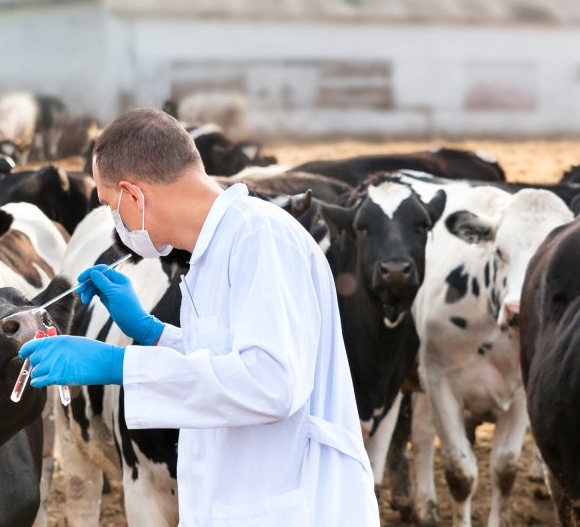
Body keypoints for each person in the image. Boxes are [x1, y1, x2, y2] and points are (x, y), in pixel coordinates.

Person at [19, 108, 379, 526]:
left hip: (292, 505)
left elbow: (273, 381)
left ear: (133, 196)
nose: (115, 223)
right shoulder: (213, 252)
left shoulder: (261, 239)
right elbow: (228, 361)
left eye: (109, 207)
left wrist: (117, 364)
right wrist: (153, 333)